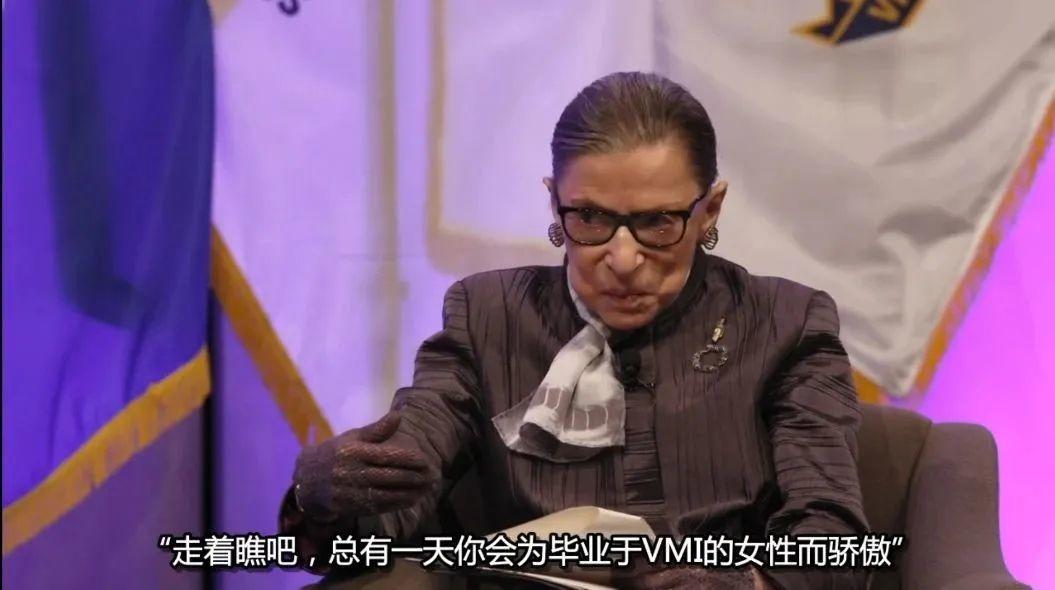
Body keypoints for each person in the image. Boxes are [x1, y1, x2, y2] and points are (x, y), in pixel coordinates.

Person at [280, 72, 869, 589]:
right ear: (554, 205)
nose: (623, 259)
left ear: (708, 211)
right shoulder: (487, 317)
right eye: (589, 217)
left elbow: (835, 538)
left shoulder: (784, 323)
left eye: (657, 222)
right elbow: (402, 482)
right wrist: (319, 498)